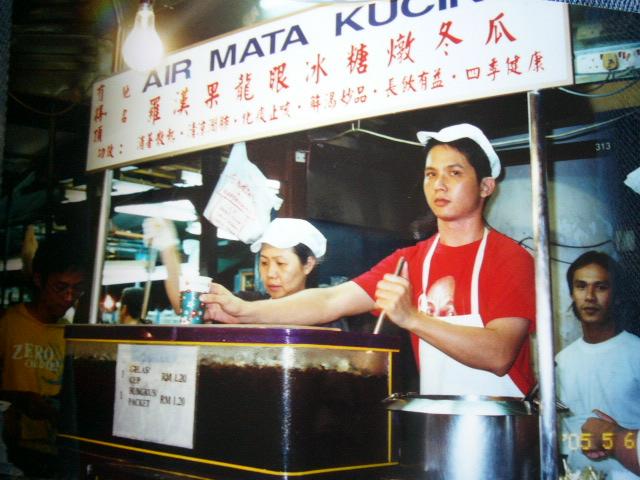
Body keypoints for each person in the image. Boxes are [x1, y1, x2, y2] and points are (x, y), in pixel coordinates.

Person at [202, 123, 536, 397]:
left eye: (454, 173)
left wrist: (412, 317)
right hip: (438, 416)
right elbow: (330, 301)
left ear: (486, 186)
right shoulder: (410, 261)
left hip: (503, 424)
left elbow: (498, 355)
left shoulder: (510, 257)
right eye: (431, 174)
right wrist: (244, 312)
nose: (439, 185)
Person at [0, 232, 87, 478]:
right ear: (39, 280)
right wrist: (20, 399)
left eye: (77, 289)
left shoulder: (69, 334)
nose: (69, 297)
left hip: (51, 450)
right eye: (61, 287)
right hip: (9, 448)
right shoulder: (8, 323)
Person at [556, 251, 640, 479]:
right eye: (581, 286)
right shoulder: (562, 361)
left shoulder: (636, 352)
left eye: (601, 287)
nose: (590, 296)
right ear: (572, 294)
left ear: (616, 295)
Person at [240, 217, 326, 301]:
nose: (270, 274)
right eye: (264, 263)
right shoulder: (250, 304)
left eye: (280, 263)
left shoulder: (322, 309)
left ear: (308, 265)